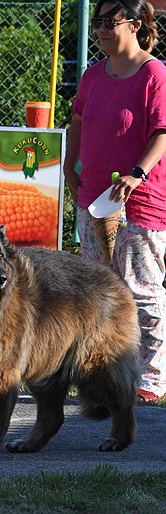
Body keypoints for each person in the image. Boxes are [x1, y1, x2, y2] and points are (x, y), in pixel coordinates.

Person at [63, 0, 166, 404]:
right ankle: (105, 375)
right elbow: (78, 121)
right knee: (98, 292)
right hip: (95, 201)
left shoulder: (153, 73)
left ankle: (152, 377)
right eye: (99, 22)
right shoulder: (92, 75)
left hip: (139, 203)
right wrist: (70, 166)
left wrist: (137, 173)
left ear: (136, 26)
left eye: (111, 21)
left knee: (141, 290)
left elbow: (162, 131)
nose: (102, 29)